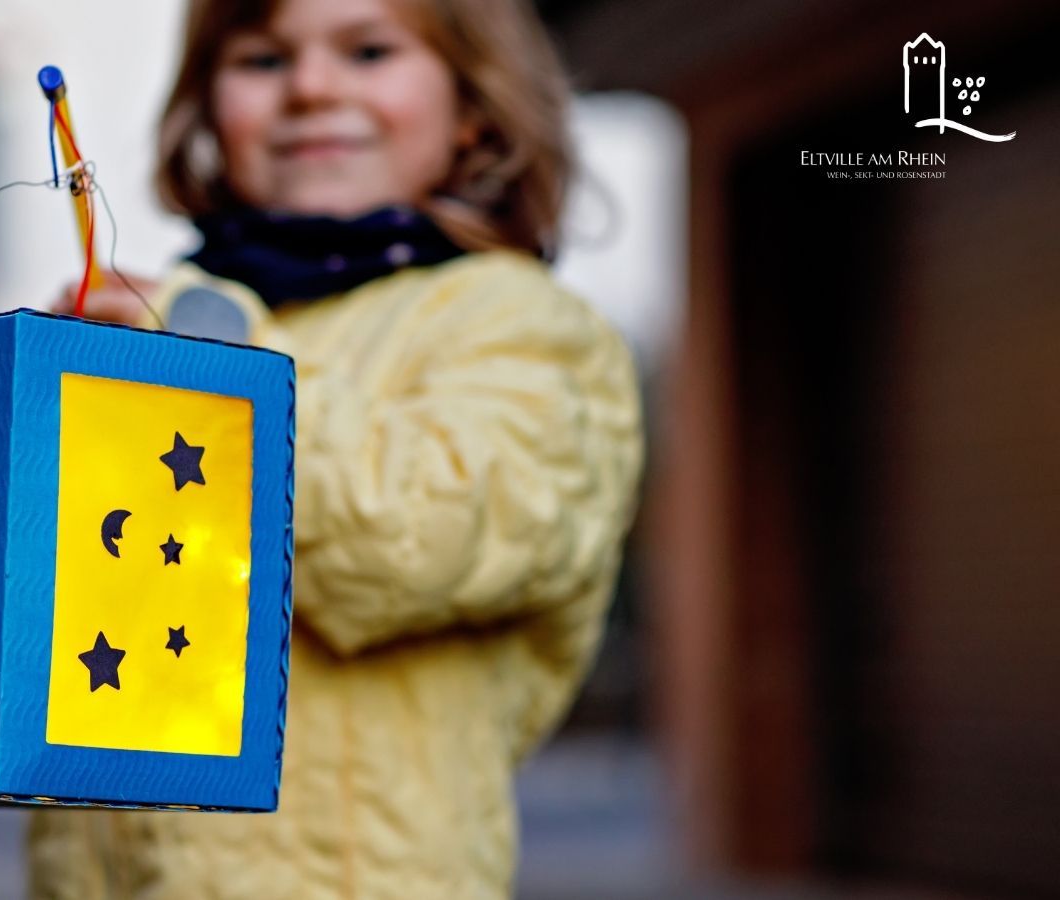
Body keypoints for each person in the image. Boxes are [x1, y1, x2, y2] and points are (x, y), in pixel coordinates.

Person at [31, 0, 644, 895]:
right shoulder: (176, 324)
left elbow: (421, 539)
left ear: (475, 107)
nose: (313, 88)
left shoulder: (523, 328)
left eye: (367, 50)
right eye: (263, 60)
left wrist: (217, 363)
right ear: (206, 107)